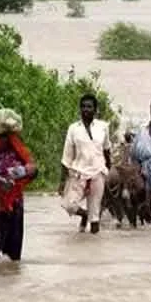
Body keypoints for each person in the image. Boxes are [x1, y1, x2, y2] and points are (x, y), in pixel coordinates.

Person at [0, 108, 38, 261]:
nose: (3, 140)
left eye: (6, 136)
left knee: (12, 254)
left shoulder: (18, 152)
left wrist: (27, 171)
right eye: (1, 136)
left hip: (14, 206)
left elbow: (33, 170)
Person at [59, 94, 112, 234]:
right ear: (80, 109)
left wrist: (108, 169)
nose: (86, 109)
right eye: (83, 106)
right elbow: (67, 156)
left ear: (95, 109)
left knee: (95, 216)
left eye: (89, 106)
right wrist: (62, 181)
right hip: (78, 173)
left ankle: (94, 247)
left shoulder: (103, 127)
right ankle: (84, 215)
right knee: (68, 204)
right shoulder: (73, 129)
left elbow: (107, 149)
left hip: (98, 172)